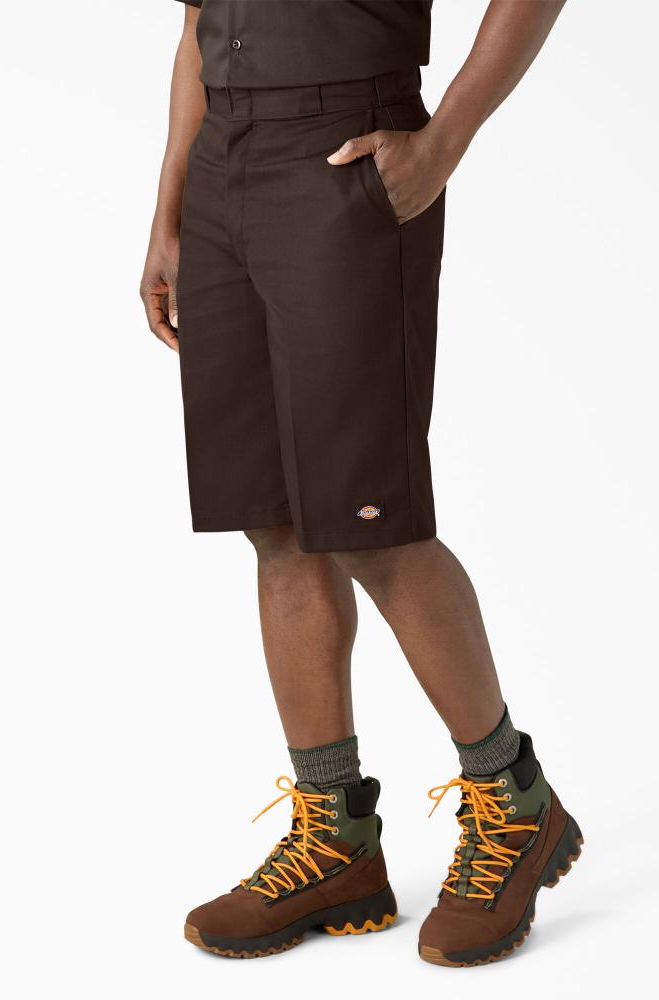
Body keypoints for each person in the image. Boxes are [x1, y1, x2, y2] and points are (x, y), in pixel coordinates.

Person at [141, 0, 578, 967]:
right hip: (221, 161)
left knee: (371, 521)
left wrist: (444, 141)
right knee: (275, 522)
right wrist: (171, 207)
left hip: (342, 151)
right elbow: (196, 23)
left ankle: (515, 801)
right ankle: (335, 836)